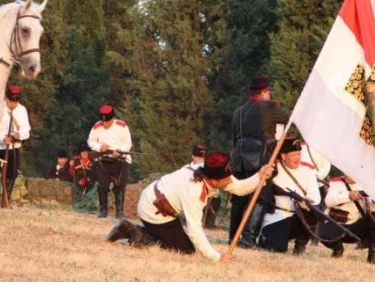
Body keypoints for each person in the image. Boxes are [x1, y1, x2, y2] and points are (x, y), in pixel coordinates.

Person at [107, 151, 275, 262]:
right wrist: (216, 257)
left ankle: (140, 231)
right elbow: (194, 229)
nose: (230, 181)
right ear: (214, 181)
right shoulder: (193, 190)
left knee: (185, 246)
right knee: (185, 250)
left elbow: (240, 188)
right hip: (153, 211)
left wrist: (259, 176)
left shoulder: (211, 174)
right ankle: (134, 233)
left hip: (164, 208)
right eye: (227, 179)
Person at [230, 75, 290, 248]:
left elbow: (235, 140)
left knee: (239, 198)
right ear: (264, 92)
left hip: (239, 160)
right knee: (262, 198)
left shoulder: (238, 111)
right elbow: (290, 118)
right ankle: (248, 239)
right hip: (260, 159)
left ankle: (233, 236)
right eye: (268, 91)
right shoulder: (268, 107)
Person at [259, 137, 320, 255]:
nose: (297, 158)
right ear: (283, 156)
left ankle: (300, 244)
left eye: (299, 154)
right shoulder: (274, 169)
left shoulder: (308, 171)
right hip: (277, 217)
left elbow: (315, 196)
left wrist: (306, 202)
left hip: (297, 218)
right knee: (277, 249)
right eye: (293, 155)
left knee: (313, 211)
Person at [0, 84, 30, 205]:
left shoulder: (22, 110)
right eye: (11, 101)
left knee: (12, 173)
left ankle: (6, 200)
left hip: (13, 147)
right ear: (6, 99)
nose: (13, 104)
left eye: (15, 102)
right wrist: (3, 138)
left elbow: (26, 129)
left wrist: (18, 135)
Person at [319, 175, 375, 264]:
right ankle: (337, 248)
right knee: (326, 236)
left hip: (357, 226)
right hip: (339, 223)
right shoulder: (336, 182)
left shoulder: (367, 184)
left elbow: (373, 212)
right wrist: (349, 195)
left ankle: (373, 255)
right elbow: (328, 201)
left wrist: (374, 203)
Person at [87, 105, 132, 219]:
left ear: (112, 119)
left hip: (119, 159)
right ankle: (103, 211)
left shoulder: (122, 126)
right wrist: (99, 147)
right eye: (103, 121)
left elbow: (128, 144)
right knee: (102, 185)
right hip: (103, 159)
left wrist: (120, 151)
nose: (105, 124)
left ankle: (119, 213)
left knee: (120, 185)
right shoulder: (97, 127)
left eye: (107, 121)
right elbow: (91, 141)